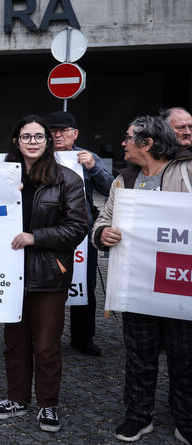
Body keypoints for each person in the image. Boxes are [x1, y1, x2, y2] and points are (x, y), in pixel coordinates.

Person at [92, 115, 192, 443]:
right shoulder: (125, 179)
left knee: (185, 357)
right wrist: (102, 233)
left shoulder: (187, 171)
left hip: (180, 284)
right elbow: (104, 218)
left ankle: (186, 419)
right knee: (139, 355)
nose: (123, 143)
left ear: (147, 143)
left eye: (128, 138)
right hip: (137, 284)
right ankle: (137, 416)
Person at [0, 115, 88, 433]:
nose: (32, 141)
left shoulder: (67, 179)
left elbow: (77, 227)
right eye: (26, 136)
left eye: (39, 136)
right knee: (15, 343)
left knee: (46, 345)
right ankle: (17, 399)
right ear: (16, 142)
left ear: (47, 141)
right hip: (10, 272)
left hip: (48, 274)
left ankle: (48, 404)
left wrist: (36, 237)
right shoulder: (1, 178)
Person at [47, 110, 113, 356]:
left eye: (63, 131)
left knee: (84, 286)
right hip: (47, 232)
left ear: (75, 134)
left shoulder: (88, 157)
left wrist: (94, 167)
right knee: (44, 288)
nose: (58, 135)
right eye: (53, 131)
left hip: (81, 235)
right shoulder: (38, 155)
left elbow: (111, 189)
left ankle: (83, 338)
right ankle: (45, 338)